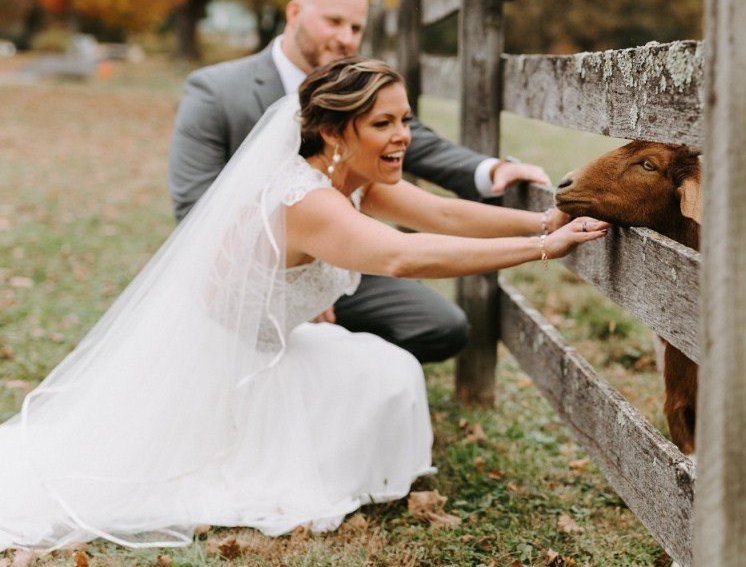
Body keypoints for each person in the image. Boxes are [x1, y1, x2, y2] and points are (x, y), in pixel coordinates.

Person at [0, 56, 609, 551]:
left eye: (405, 119)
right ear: (334, 131)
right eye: (383, 124)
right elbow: (405, 257)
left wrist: (541, 217)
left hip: (274, 341)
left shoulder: (352, 181)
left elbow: (445, 212)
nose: (402, 137)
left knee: (387, 371)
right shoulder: (308, 200)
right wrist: (542, 248)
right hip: (224, 364)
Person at [169, 0, 553, 363]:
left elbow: (437, 199)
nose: (346, 38)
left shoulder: (361, 93)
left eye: (356, 27)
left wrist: (508, 187)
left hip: (342, 259)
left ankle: (330, 356)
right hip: (246, 280)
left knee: (438, 328)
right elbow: (195, 208)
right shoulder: (215, 90)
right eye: (334, 21)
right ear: (295, 13)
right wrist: (280, 282)